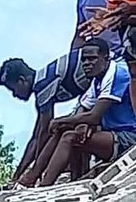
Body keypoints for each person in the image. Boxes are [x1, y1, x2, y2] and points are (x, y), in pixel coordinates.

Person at [36, 36, 136, 186]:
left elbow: (94, 116)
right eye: (84, 60)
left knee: (69, 137)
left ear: (106, 58)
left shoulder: (116, 73)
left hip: (127, 136)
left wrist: (60, 120)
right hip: (112, 134)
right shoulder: (97, 80)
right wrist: (79, 124)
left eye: (92, 59)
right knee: (68, 130)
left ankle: (44, 185)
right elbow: (84, 108)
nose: (86, 64)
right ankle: (34, 178)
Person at [0, 51, 92, 181]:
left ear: (22, 80)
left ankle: (43, 177)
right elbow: (36, 137)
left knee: (62, 129)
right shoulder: (43, 81)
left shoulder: (43, 85)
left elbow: (44, 133)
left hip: (100, 87)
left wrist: (36, 167)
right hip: (91, 92)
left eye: (13, 89)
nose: (15, 95)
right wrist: (18, 173)